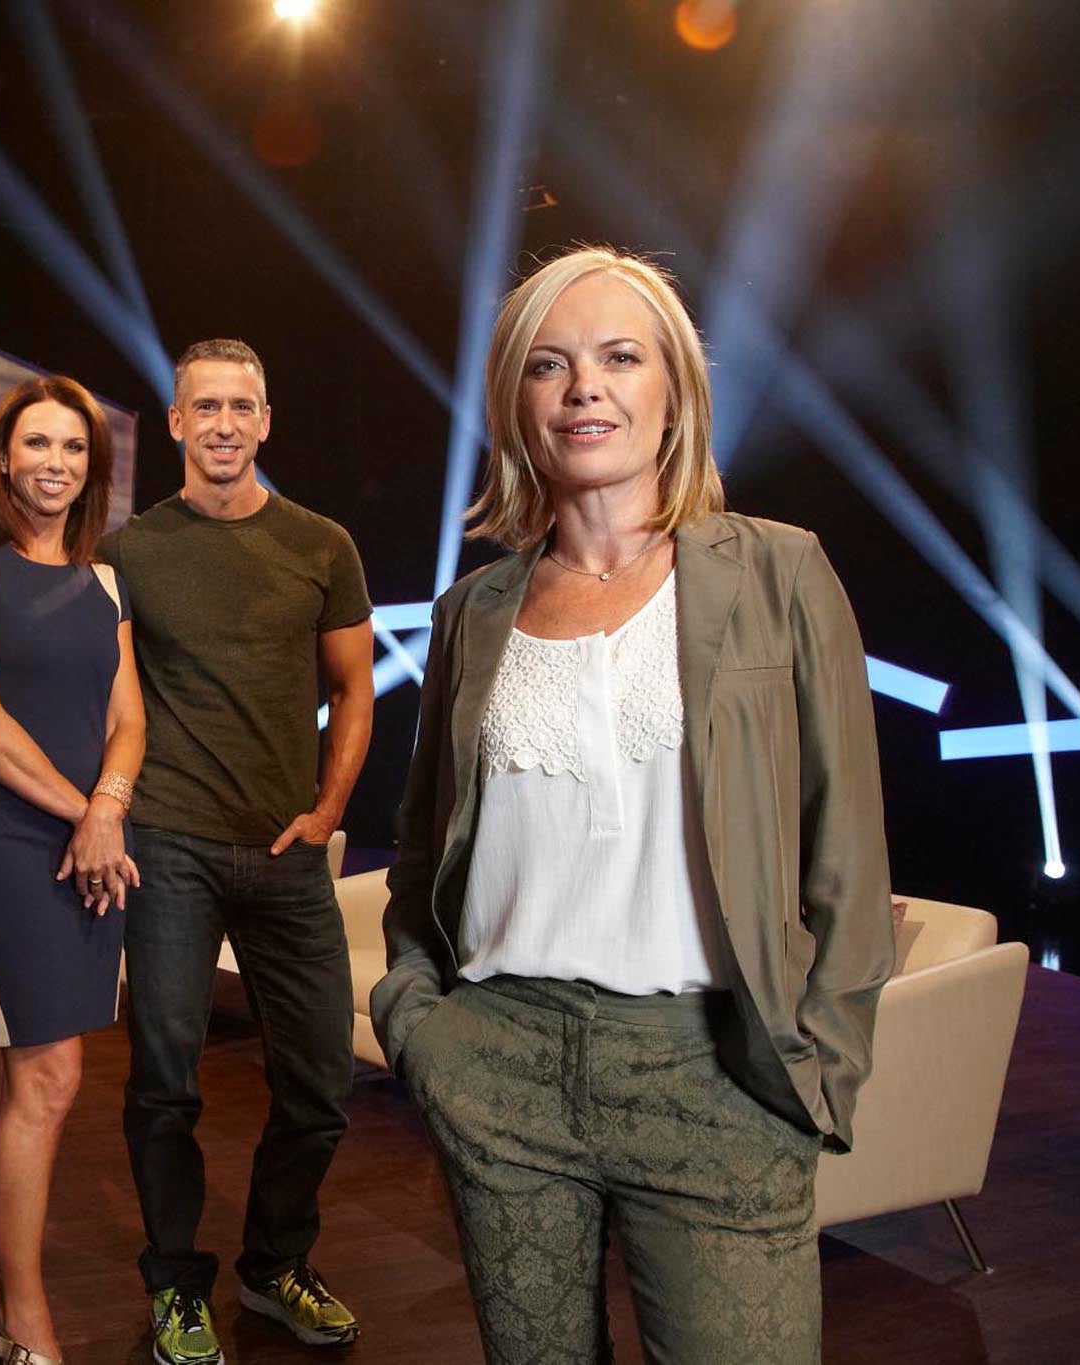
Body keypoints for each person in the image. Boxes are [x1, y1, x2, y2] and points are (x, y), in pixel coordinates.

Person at [371, 245, 894, 1364]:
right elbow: (424, 847)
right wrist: (421, 1028)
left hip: (715, 1077)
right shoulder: (473, 608)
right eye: (546, 366)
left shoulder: (779, 574)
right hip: (498, 1068)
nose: (583, 388)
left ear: (673, 391)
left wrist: (816, 1077)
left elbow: (845, 851)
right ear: (516, 404)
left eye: (619, 356)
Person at [98, 339, 376, 1365]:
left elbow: (353, 690)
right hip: (168, 846)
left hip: (287, 852)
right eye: (202, 406)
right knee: (163, 1084)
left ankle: (273, 1267)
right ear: (174, 423)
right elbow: (115, 701)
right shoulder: (130, 552)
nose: (221, 423)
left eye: (240, 407)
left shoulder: (320, 544)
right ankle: (176, 1287)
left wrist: (326, 808)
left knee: (317, 1084)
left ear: (265, 422)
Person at [0, 375, 146, 1365]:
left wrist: (105, 811)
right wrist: (83, 817)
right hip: (5, 842)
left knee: (61, 1076)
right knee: (44, 1074)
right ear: (2, 458)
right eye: (38, 444)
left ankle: (4, 1277)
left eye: (74, 449)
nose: (55, 462)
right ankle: (20, 1310)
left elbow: (129, 719)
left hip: (90, 839)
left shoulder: (105, 583)